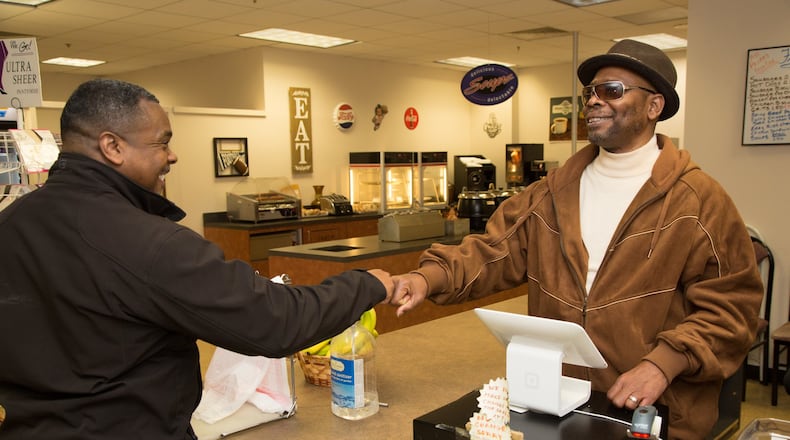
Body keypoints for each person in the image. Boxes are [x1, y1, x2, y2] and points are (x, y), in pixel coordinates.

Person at [389, 40, 763, 439]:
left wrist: (663, 363)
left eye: (612, 90)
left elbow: (733, 308)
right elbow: (493, 250)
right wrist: (428, 278)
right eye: (590, 92)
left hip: (656, 414)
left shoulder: (699, 200)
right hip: (559, 402)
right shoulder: (551, 191)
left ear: (654, 107)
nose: (594, 101)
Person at [0, 78, 395, 440]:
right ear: (112, 146)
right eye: (161, 142)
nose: (172, 156)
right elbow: (275, 321)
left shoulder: (10, 224)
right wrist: (368, 283)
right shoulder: (148, 243)